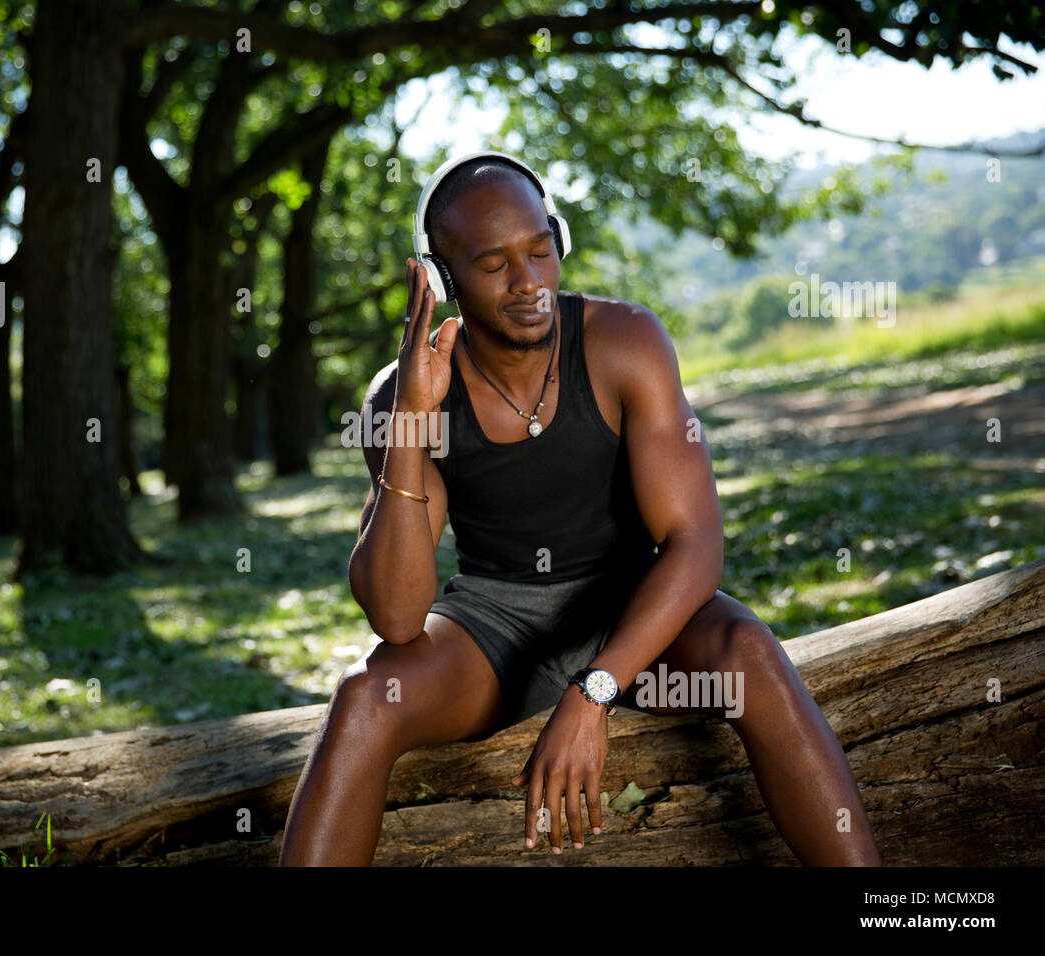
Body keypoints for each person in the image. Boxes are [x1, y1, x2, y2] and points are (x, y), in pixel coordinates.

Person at [278, 152, 881, 866]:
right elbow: (398, 616)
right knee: (363, 695)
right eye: (494, 264)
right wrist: (411, 416)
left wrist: (594, 692)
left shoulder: (625, 341)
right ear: (440, 278)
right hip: (492, 631)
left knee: (747, 649)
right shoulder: (402, 395)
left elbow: (694, 545)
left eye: (539, 251)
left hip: (633, 610)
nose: (528, 282)